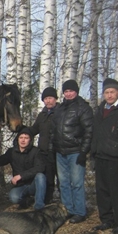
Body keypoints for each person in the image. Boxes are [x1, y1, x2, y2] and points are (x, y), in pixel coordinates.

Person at [51, 79, 94, 224]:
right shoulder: (60, 108)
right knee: (63, 183)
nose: (68, 94)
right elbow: (54, 130)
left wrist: (83, 152)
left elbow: (89, 131)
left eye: (71, 91)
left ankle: (80, 211)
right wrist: (53, 148)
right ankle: (68, 209)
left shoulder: (83, 108)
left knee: (76, 183)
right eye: (66, 91)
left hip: (75, 151)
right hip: (60, 152)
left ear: (76, 91)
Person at [91, 78, 118, 234]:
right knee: (102, 190)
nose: (109, 95)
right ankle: (106, 220)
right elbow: (95, 134)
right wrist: (92, 153)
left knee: (116, 191)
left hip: (115, 157)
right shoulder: (100, 110)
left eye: (112, 92)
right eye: (106, 92)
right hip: (100, 155)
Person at [0, 128, 46, 210]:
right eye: (21, 138)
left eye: (26, 138)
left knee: (41, 176)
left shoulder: (36, 151)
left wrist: (21, 176)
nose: (23, 140)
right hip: (20, 186)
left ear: (30, 140)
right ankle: (27, 202)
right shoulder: (12, 151)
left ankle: (39, 207)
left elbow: (40, 167)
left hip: (33, 184)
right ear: (17, 139)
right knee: (14, 197)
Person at [28, 87, 59, 204]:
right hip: (44, 151)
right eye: (45, 99)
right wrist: (22, 131)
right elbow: (34, 129)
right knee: (48, 178)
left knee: (62, 179)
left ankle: (66, 204)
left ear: (55, 99)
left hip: (59, 151)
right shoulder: (42, 115)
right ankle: (47, 201)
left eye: (50, 98)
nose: (48, 101)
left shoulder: (60, 112)